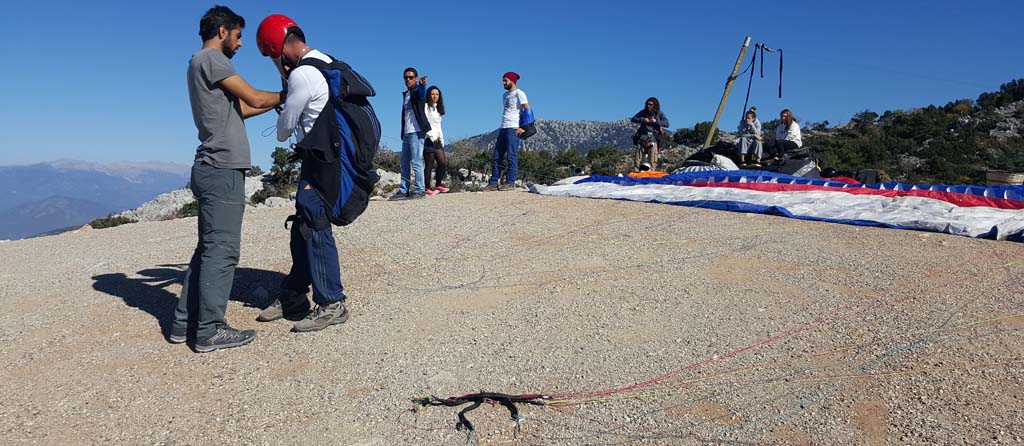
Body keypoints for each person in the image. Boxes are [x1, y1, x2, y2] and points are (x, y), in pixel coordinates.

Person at [170, 6, 285, 352]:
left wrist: (276, 102)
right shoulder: (212, 59)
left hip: (211, 167)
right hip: (222, 168)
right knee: (222, 251)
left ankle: (183, 323)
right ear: (222, 31)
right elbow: (253, 96)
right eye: (237, 35)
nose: (241, 43)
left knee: (208, 249)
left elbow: (244, 109)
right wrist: (289, 93)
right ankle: (209, 330)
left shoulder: (199, 63)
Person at [253, 13, 351, 332]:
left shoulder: (302, 74)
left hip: (321, 161)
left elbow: (284, 131)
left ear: (277, 49)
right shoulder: (326, 61)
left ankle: (332, 302)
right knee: (303, 224)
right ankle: (294, 295)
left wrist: (284, 96)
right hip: (329, 157)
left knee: (315, 223)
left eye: (272, 57)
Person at [484, 72, 530, 191]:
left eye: (506, 80)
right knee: (496, 156)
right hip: (503, 127)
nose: (503, 83)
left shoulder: (520, 93)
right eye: (503, 80)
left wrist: (524, 127)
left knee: (511, 156)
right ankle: (493, 183)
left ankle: (510, 182)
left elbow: (528, 109)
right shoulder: (504, 95)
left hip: (513, 128)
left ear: (512, 81)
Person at [392, 68, 431, 200]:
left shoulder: (417, 92)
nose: (408, 80)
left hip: (417, 132)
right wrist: (403, 132)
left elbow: (422, 94)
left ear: (416, 78)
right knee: (404, 163)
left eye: (411, 77)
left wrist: (423, 85)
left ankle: (420, 190)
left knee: (416, 161)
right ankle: (404, 190)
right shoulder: (406, 94)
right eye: (405, 77)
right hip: (407, 133)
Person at [630, 97, 670, 171]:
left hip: (653, 138)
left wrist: (656, 121)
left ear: (655, 105)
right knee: (637, 158)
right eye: (647, 104)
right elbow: (633, 119)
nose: (648, 106)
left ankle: (652, 173)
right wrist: (642, 119)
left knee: (653, 159)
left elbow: (667, 124)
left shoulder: (659, 114)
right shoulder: (643, 112)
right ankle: (636, 172)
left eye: (651, 104)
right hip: (642, 138)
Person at [423, 86, 448, 194]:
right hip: (428, 139)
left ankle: (438, 185)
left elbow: (438, 126)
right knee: (429, 164)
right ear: (429, 95)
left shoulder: (438, 109)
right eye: (433, 94)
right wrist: (431, 135)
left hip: (437, 140)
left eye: (437, 94)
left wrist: (441, 139)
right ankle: (426, 188)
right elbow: (424, 122)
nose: (435, 96)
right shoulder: (425, 107)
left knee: (442, 163)